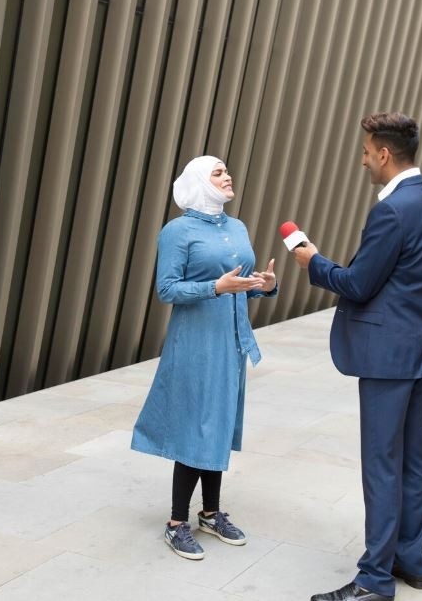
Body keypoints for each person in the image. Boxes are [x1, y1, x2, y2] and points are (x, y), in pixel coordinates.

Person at [295, 113, 422, 601]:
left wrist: (314, 262)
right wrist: (413, 320)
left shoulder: (390, 210)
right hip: (417, 348)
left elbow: (359, 283)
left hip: (388, 357)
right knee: (412, 460)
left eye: (367, 152)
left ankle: (374, 580)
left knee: (382, 464)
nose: (364, 160)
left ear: (385, 153)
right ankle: (413, 562)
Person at [131, 155, 278, 560]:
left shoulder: (237, 226)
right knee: (197, 427)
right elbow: (167, 289)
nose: (228, 175)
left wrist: (263, 285)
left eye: (227, 170)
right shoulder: (177, 231)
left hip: (230, 342)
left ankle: (210, 513)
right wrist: (215, 287)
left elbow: (239, 286)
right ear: (199, 182)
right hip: (195, 344)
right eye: (218, 172)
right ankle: (177, 523)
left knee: (219, 425)